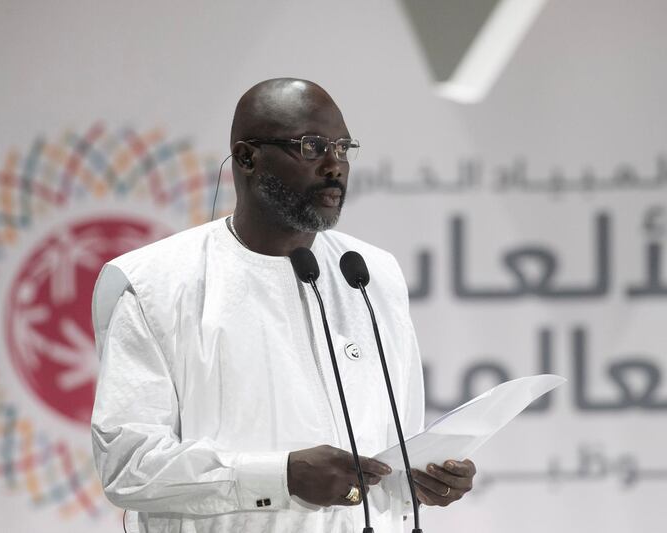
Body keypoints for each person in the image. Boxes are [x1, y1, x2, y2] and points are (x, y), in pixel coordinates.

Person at [91, 78, 476, 533]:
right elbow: (128, 466)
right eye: (312, 148)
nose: (335, 166)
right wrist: (283, 477)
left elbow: (392, 446)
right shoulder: (155, 283)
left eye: (343, 148)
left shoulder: (371, 272)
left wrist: (423, 477)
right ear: (247, 158)